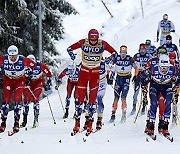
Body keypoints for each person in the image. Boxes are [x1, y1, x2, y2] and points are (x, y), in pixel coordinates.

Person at [67, 28, 117, 134]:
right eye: (92, 40)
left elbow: (115, 53)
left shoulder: (102, 44)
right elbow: (69, 48)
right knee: (79, 99)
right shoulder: (83, 42)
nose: (93, 42)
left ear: (98, 38)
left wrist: (110, 59)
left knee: (92, 100)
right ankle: (77, 124)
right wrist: (73, 56)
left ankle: (90, 124)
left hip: (95, 73)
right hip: (84, 72)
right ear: (89, 38)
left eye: (95, 40)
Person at [0, 45, 36, 133]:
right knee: (6, 100)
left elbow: (33, 65)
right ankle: (3, 122)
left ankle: (16, 122)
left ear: (17, 55)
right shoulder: (4, 58)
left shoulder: (22, 59)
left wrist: (28, 77)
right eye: (11, 56)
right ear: (8, 55)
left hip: (19, 80)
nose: (13, 58)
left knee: (17, 99)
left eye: (14, 56)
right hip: (8, 80)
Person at [141, 54, 176, 136]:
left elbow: (178, 77)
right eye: (162, 67)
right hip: (155, 85)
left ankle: (164, 125)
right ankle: (150, 125)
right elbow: (142, 74)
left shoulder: (173, 68)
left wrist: (176, 81)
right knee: (154, 103)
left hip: (167, 85)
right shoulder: (154, 67)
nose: (164, 69)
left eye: (166, 67)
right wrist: (141, 80)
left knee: (168, 103)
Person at [21, 54, 52, 128]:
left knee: (35, 98)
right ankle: (24, 120)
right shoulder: (23, 66)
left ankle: (36, 119)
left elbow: (48, 73)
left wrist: (48, 82)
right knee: (26, 99)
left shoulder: (40, 65)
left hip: (38, 82)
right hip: (29, 83)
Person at [108, 45, 137, 123]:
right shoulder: (116, 58)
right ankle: (113, 114)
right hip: (118, 78)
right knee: (116, 98)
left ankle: (123, 114)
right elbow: (111, 67)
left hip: (126, 78)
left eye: (124, 53)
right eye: (121, 53)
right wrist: (109, 77)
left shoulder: (129, 59)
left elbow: (136, 67)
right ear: (119, 52)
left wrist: (136, 76)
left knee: (123, 98)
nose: (123, 54)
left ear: (126, 52)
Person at [131, 43, 150, 115]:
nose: (142, 51)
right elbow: (132, 63)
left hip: (145, 75)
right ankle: (134, 106)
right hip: (138, 74)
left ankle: (144, 106)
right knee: (136, 91)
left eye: (144, 50)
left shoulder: (148, 56)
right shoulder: (136, 56)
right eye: (141, 50)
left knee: (145, 92)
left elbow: (152, 65)